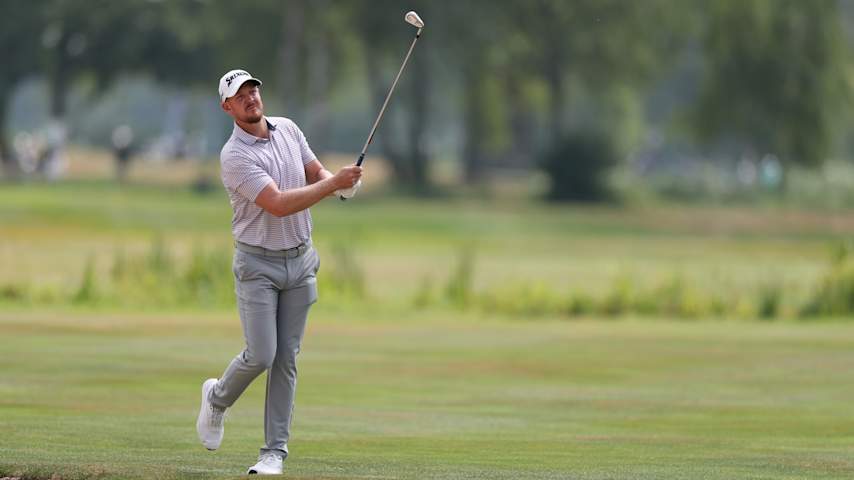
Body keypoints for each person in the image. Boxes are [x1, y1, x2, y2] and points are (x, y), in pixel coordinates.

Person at [196, 69, 362, 475]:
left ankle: (274, 453)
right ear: (227, 107)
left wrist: (338, 184)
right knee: (262, 354)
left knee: (286, 359)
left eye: (253, 89)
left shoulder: (288, 128)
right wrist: (331, 186)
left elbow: (314, 172)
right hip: (258, 265)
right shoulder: (234, 155)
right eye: (240, 94)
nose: (251, 97)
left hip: (301, 261)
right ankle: (217, 398)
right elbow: (279, 203)